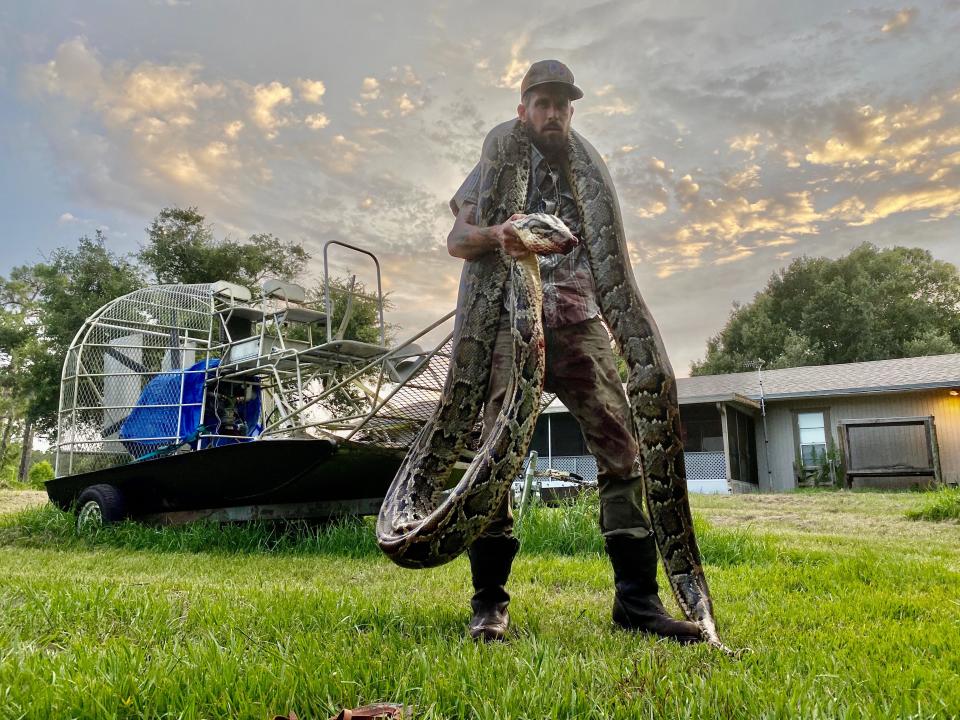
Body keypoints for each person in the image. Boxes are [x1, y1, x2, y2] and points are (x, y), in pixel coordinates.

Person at [446, 60, 702, 644]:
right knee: (495, 456)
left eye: (563, 104)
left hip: (581, 321)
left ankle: (636, 602)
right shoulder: (493, 163)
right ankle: (489, 605)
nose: (554, 113)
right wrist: (498, 237)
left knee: (623, 450)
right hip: (514, 324)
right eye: (542, 102)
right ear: (523, 110)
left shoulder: (591, 173)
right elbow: (459, 239)